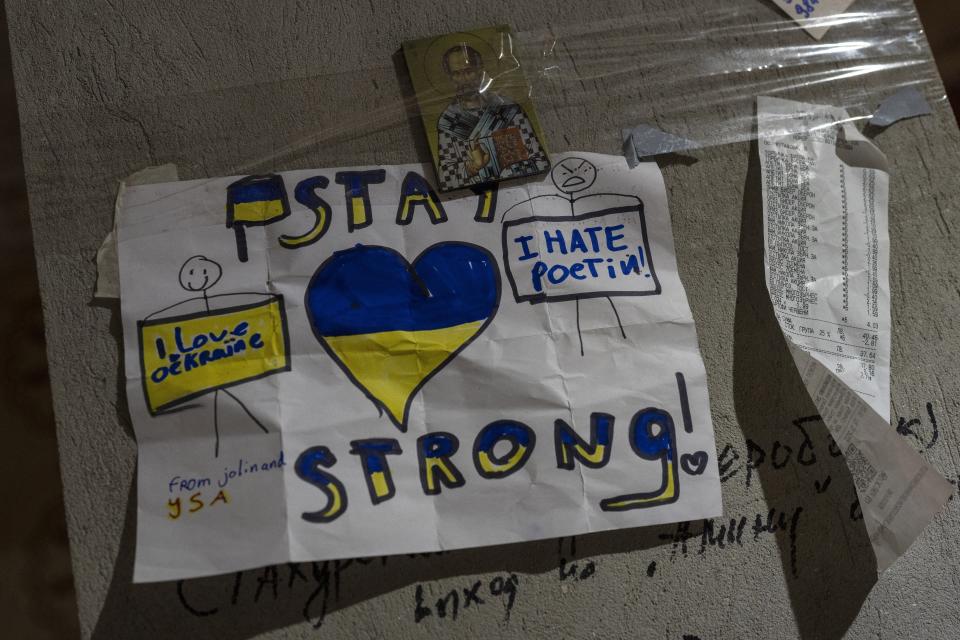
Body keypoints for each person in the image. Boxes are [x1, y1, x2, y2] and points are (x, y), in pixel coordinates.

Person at [436, 44, 549, 190]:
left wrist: (508, 173)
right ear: (451, 78)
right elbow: (445, 178)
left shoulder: (508, 109)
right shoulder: (449, 121)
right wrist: (472, 167)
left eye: (468, 71)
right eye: (456, 74)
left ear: (480, 71)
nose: (463, 79)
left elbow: (540, 160)